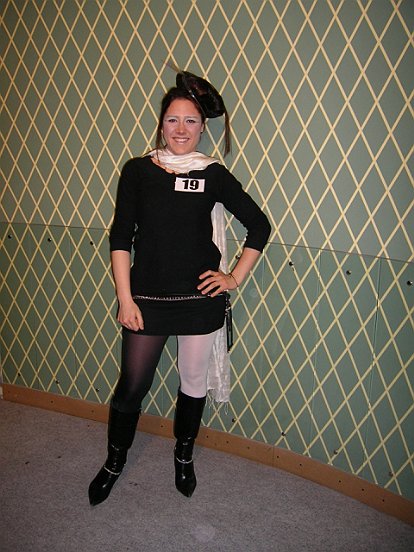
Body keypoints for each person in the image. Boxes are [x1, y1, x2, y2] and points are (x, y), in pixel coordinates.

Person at [88, 69, 271, 506]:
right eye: (173, 119)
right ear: (161, 124)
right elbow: (120, 238)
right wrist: (125, 299)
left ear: (202, 128)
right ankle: (114, 461)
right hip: (146, 300)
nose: (181, 129)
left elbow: (260, 226)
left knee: (192, 383)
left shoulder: (212, 173)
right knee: (132, 387)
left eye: (191, 120)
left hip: (199, 300)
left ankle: (183, 456)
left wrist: (233, 277)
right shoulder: (137, 171)